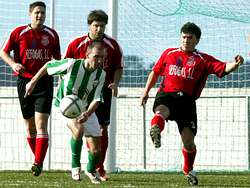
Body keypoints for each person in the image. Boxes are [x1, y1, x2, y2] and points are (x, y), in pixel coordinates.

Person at [140, 22, 244, 186]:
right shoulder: (169, 53)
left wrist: (236, 64)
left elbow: (223, 68)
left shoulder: (202, 59)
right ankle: (156, 129)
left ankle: (188, 170)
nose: (186, 40)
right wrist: (145, 92)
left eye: (190, 37)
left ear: (197, 40)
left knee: (188, 142)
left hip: (187, 102)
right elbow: (155, 72)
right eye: (183, 37)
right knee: (160, 112)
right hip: (166, 95)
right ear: (180, 37)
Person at [25, 41, 107, 184]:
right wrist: (33, 81)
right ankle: (75, 167)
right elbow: (48, 66)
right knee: (78, 129)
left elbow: (97, 99)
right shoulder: (71, 64)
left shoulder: (101, 74)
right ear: (87, 54)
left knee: (96, 152)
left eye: (102, 58)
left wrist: (87, 113)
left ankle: (89, 170)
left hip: (86, 109)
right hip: (65, 107)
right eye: (96, 56)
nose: (99, 60)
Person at [0, 1, 61, 176]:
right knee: (30, 126)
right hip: (23, 82)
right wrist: (13, 64)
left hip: (44, 82)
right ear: (30, 14)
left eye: (42, 12)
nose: (40, 15)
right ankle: (39, 161)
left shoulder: (52, 35)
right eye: (37, 12)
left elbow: (57, 59)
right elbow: (3, 52)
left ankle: (37, 162)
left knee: (42, 125)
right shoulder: (18, 33)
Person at [63, 9, 123, 181]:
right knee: (79, 128)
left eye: (102, 26)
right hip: (78, 95)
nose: (99, 29)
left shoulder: (112, 45)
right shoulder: (76, 44)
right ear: (89, 26)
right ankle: (77, 166)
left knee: (102, 130)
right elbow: (65, 66)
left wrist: (116, 83)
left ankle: (99, 167)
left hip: (101, 91)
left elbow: (118, 67)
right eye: (96, 26)